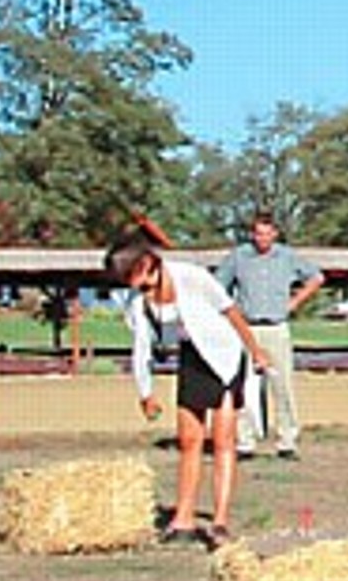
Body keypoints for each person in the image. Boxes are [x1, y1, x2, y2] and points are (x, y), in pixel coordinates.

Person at [105, 221, 269, 550]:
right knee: (190, 440)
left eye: (129, 276)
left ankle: (220, 521)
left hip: (224, 356)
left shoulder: (190, 276)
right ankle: (183, 518)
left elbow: (230, 311)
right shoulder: (138, 303)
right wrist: (145, 392)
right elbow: (142, 347)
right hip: (192, 358)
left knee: (223, 440)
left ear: (146, 264)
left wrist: (255, 350)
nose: (128, 285)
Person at [214, 211, 325, 459]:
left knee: (282, 384)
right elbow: (217, 286)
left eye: (267, 233)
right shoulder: (238, 256)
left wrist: (294, 302)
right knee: (242, 385)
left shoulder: (286, 256)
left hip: (276, 327)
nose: (262, 238)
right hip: (246, 328)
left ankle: (287, 440)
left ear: (275, 234)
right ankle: (245, 442)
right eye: (258, 233)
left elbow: (317, 277)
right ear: (252, 234)